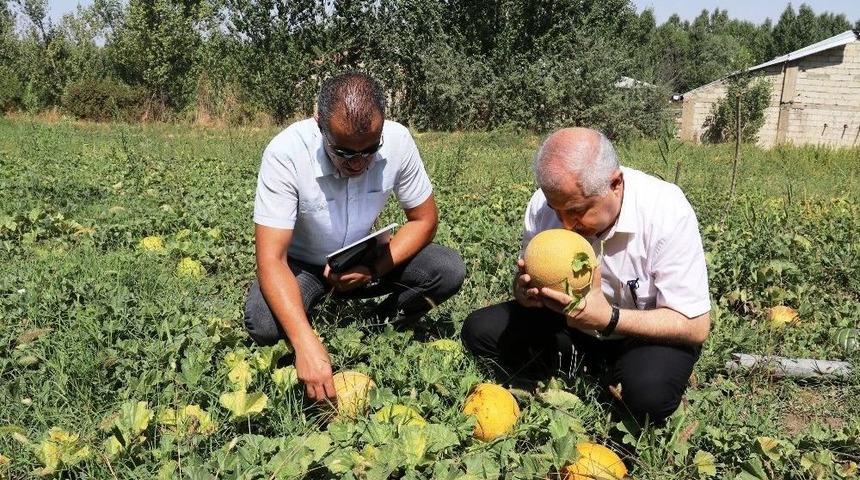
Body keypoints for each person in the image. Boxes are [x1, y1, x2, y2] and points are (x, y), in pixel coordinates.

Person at [461, 127, 711, 425]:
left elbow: (695, 326)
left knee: (648, 398)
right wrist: (525, 294)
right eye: (557, 209)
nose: (566, 223)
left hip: (641, 336)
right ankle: (584, 373)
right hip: (571, 327)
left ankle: (607, 372)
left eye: (577, 211)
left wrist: (610, 318)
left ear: (615, 184)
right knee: (479, 330)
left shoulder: (666, 210)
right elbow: (532, 278)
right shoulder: (544, 206)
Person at [245, 72, 465, 403]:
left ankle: (374, 326)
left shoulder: (398, 141)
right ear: (318, 123)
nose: (358, 163)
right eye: (344, 152)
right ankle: (311, 317)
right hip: (303, 268)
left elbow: (424, 219)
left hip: (365, 258)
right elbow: (270, 258)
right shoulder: (286, 153)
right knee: (264, 324)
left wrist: (374, 269)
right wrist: (305, 344)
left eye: (369, 150)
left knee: (447, 269)